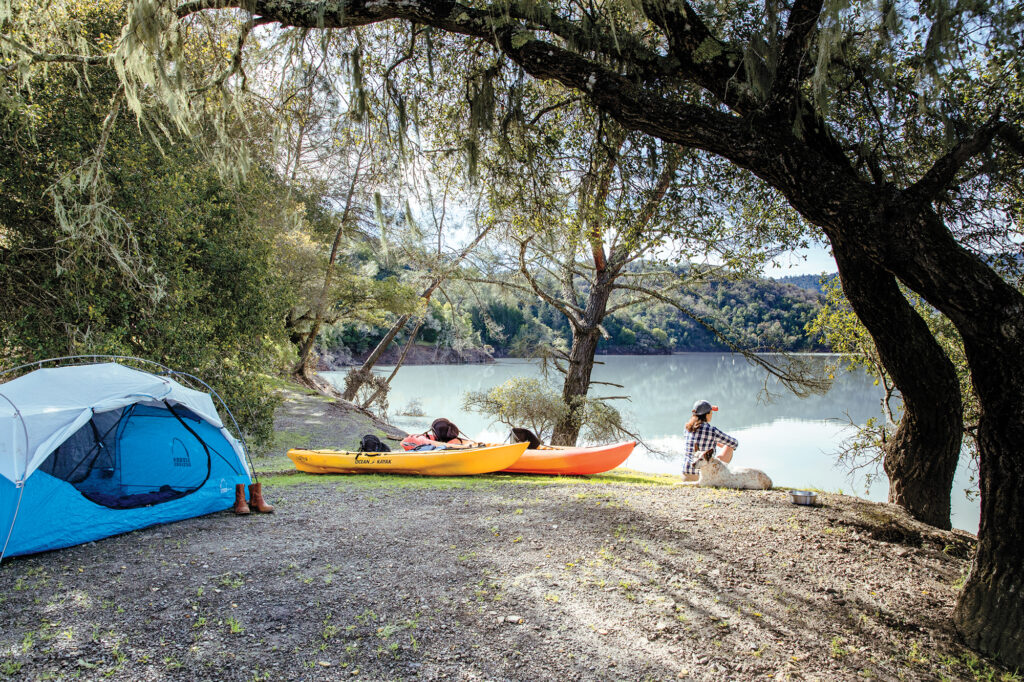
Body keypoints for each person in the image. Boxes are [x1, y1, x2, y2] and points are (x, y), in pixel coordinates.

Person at [681, 399, 738, 481]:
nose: (712, 414)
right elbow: (734, 443)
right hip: (703, 477)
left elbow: (700, 438)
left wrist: (716, 442)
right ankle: (719, 477)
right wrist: (723, 444)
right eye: (711, 412)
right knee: (729, 447)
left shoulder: (687, 428)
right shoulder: (712, 430)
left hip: (686, 475)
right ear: (707, 415)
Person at [401, 418, 475, 451]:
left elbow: (471, 443)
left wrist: (473, 445)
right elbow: (433, 444)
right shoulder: (421, 439)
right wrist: (466, 447)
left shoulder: (450, 441)